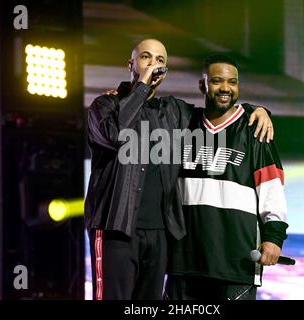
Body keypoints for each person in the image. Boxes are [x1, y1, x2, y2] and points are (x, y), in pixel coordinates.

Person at [84, 39, 274, 300]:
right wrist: (140, 88)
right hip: (116, 229)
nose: (153, 65)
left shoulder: (172, 112)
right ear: (131, 64)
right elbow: (117, 134)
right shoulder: (104, 106)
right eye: (146, 57)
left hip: (160, 235)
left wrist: (258, 110)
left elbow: (217, 107)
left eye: (160, 60)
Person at [165, 54, 288, 300]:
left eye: (232, 82)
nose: (225, 88)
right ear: (202, 85)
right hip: (184, 263)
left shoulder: (254, 130)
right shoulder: (184, 125)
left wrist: (274, 238)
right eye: (217, 81)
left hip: (236, 264)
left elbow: (272, 189)